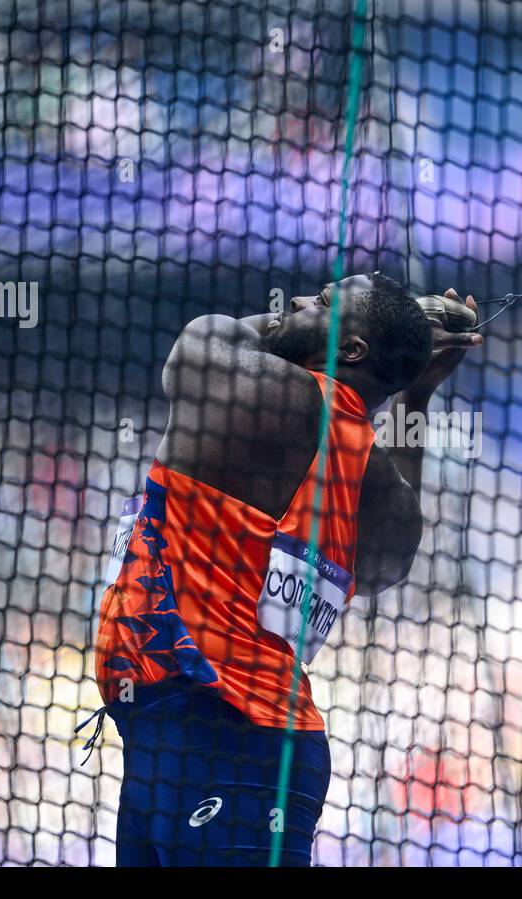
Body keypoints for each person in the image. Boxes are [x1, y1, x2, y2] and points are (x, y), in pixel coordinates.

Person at [89, 273, 482, 865]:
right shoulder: (378, 485)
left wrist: (298, 328)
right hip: (203, 738)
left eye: (321, 303)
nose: (295, 303)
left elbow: (198, 344)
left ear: (349, 350)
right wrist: (416, 393)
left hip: (226, 737)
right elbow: (387, 568)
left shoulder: (268, 389)